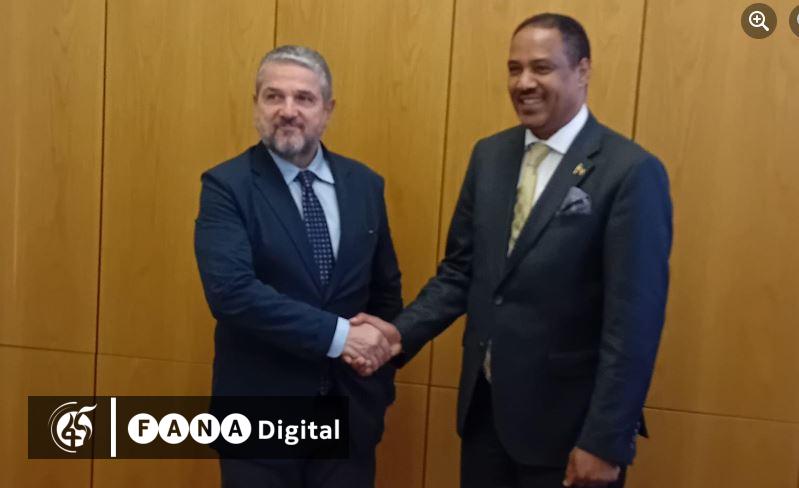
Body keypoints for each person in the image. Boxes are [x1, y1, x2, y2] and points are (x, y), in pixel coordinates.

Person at [351, 13, 673, 488]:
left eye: (541, 68)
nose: (524, 83)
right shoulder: (490, 156)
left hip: (569, 431)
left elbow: (634, 324)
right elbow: (461, 271)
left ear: (582, 71)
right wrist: (398, 335)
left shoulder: (629, 172)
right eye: (514, 69)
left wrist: (606, 440)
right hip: (486, 419)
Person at [194, 45, 403, 487]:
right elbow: (232, 293)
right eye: (274, 96)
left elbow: (385, 292)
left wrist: (378, 373)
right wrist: (342, 337)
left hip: (349, 419)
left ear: (327, 110)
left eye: (304, 98)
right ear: (256, 104)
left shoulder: (365, 185)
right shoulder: (227, 186)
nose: (288, 110)